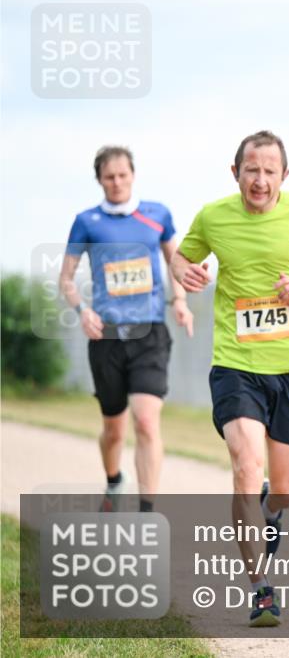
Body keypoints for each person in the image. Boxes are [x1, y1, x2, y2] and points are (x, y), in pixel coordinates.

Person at [170, 130, 289, 627]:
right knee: (246, 464)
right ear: (236, 173)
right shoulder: (213, 216)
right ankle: (261, 590)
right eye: (250, 170)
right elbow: (182, 254)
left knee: (288, 491)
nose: (259, 180)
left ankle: (270, 512)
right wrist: (183, 271)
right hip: (237, 363)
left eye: (269, 171)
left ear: (284, 176)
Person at [59, 145, 194, 514]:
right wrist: (82, 311)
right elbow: (66, 279)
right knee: (115, 429)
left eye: (122, 175)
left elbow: (176, 263)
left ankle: (147, 509)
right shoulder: (86, 221)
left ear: (133, 175)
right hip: (106, 337)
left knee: (147, 421)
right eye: (109, 177)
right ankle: (115, 478)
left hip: (149, 332)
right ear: (99, 180)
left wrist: (179, 301)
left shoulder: (157, 215)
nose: (117, 182)